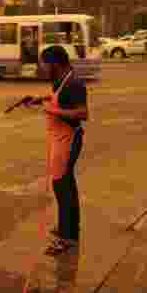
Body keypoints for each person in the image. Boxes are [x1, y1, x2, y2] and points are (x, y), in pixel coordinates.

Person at [27, 46, 89, 256]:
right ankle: (68, 228)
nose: (42, 67)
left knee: (62, 186)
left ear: (54, 63)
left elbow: (83, 113)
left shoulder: (74, 83)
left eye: (44, 63)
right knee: (63, 184)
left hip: (68, 139)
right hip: (58, 138)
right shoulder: (62, 80)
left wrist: (52, 109)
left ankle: (68, 238)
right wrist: (42, 98)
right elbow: (56, 96)